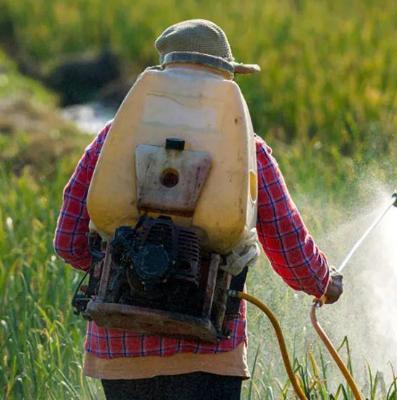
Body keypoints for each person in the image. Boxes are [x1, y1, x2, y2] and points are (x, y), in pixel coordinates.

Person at [53, 19, 342, 400]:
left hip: (120, 352)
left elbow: (68, 241)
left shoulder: (113, 138)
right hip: (208, 350)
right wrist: (323, 283)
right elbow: (288, 241)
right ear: (225, 79)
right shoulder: (247, 150)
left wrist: (126, 261)